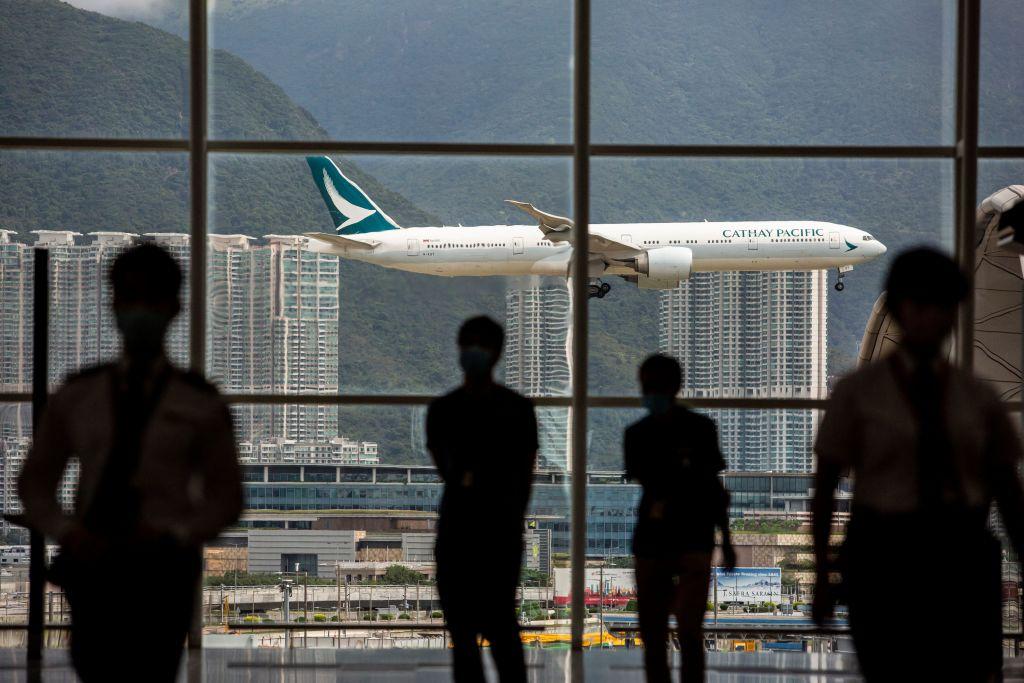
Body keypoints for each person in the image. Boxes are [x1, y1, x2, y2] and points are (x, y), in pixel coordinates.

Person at [18, 244, 243, 682]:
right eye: (131, 297)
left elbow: (226, 497)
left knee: (153, 669)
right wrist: (69, 533)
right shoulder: (78, 395)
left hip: (163, 570)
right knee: (93, 667)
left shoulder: (200, 403)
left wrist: (176, 535)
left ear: (175, 307)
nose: (140, 311)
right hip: (94, 566)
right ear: (114, 304)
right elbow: (34, 483)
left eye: (151, 299)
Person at [813, 248, 1024, 682]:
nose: (931, 317)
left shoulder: (975, 400)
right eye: (920, 304)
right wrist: (823, 572)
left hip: (943, 560)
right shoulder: (862, 395)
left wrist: (825, 572)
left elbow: (1009, 495)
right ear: (898, 309)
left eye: (940, 305)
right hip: (895, 560)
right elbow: (825, 488)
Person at [426, 316, 538, 683]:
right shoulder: (517, 409)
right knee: (492, 628)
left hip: (467, 528)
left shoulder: (444, 410)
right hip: (492, 529)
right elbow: (523, 475)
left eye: (479, 344)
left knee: (478, 631)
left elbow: (448, 470)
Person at [625, 354, 736, 683]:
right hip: (694, 537)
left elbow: (648, 479)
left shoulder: (638, 434)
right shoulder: (701, 429)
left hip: (654, 539)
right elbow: (714, 489)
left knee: (655, 634)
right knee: (688, 633)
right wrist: (726, 540)